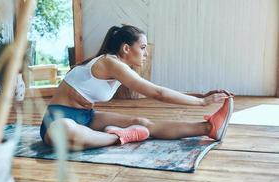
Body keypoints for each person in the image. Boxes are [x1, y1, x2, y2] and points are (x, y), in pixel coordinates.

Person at [40, 25, 234, 151]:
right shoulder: (110, 62)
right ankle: (118, 137)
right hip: (57, 120)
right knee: (64, 130)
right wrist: (201, 102)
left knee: (141, 122)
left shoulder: (117, 65)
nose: (145, 54)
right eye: (142, 48)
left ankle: (209, 128)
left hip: (87, 117)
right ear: (126, 48)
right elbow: (157, 93)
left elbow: (157, 89)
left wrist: (200, 95)